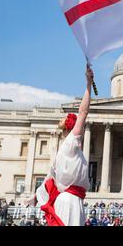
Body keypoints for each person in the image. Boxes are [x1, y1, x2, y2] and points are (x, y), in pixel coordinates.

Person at [28, 65, 94, 226]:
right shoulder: (71, 143)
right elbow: (83, 112)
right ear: (72, 129)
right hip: (71, 201)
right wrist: (88, 85)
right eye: (80, 128)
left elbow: (48, 180)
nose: (83, 130)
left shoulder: (61, 154)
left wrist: (34, 198)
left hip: (66, 200)